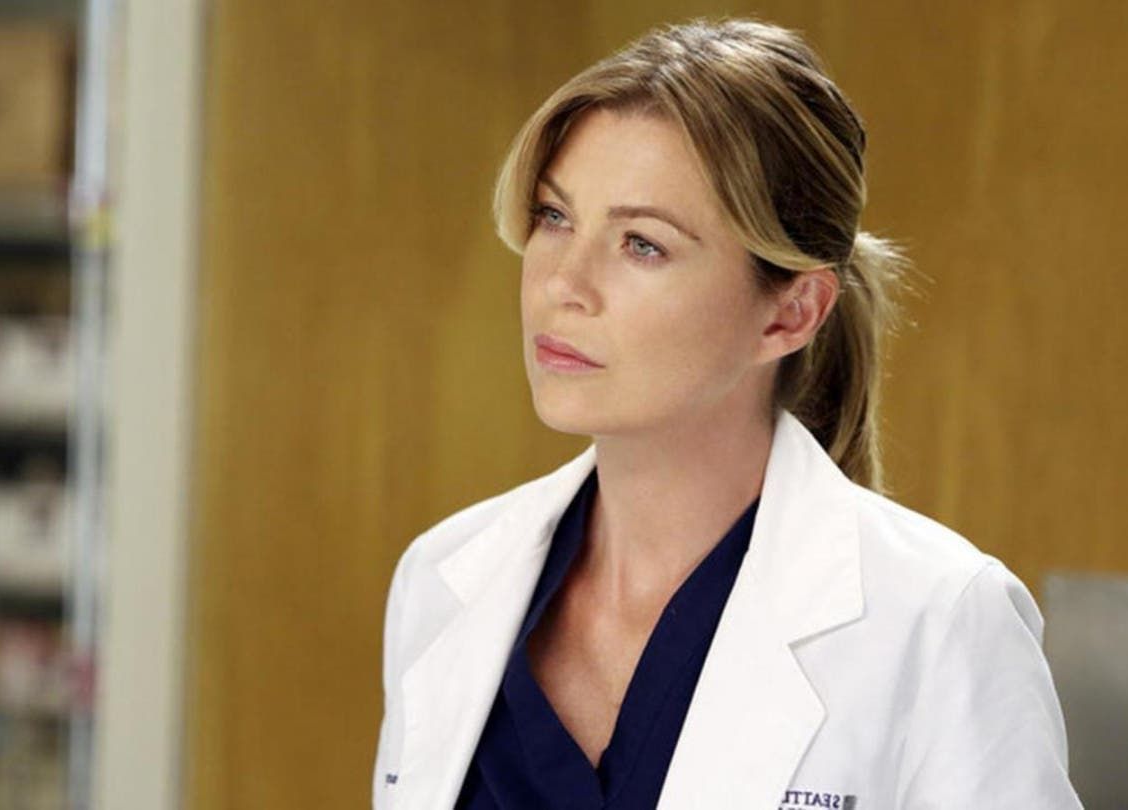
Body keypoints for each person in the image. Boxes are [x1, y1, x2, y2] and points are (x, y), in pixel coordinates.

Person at [373, 15, 1082, 810]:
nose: (562, 283)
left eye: (642, 244)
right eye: (553, 217)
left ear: (790, 314)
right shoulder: (443, 579)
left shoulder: (939, 620)